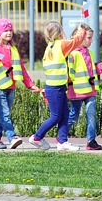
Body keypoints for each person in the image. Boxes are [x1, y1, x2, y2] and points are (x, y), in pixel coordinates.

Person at [0, 18, 41, 149]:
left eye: (10, 30)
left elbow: (22, 69)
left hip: (11, 87)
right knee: (5, 114)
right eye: (5, 30)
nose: (8, 33)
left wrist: (30, 85)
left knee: (3, 115)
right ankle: (12, 137)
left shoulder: (13, 49)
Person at [30, 22, 87, 151]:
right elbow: (76, 41)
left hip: (56, 87)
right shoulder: (61, 44)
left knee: (64, 115)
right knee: (56, 116)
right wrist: (82, 30)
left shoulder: (49, 47)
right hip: (56, 88)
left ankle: (62, 142)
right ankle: (37, 137)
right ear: (60, 33)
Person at [66, 24, 102, 151]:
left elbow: (92, 70)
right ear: (79, 37)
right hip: (77, 91)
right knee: (73, 115)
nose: (91, 41)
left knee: (91, 114)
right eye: (89, 38)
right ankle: (61, 136)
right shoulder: (73, 54)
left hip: (90, 91)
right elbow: (69, 73)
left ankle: (91, 141)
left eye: (92, 38)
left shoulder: (90, 53)